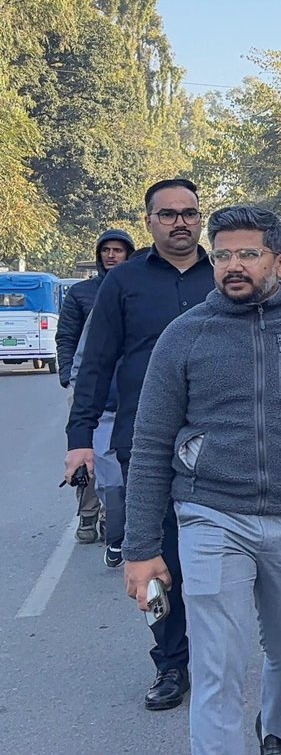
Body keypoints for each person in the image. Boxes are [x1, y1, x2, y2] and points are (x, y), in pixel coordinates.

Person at [121, 205, 281, 755]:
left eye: (248, 253)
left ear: (280, 262)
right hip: (211, 515)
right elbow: (150, 443)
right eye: (222, 255)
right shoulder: (185, 334)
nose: (232, 265)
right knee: (216, 662)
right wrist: (141, 548)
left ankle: (278, 731)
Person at [65, 178, 215, 712]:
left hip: (221, 444)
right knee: (154, 559)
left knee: (215, 560)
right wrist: (80, 438)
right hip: (146, 443)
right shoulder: (123, 281)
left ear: (200, 218)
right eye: (167, 214)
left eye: (189, 212)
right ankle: (170, 662)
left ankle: (216, 654)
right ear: (149, 221)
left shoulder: (224, 275)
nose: (180, 222)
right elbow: (96, 362)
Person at [56, 229, 136, 550]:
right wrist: (70, 378)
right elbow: (67, 337)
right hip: (88, 386)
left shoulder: (136, 290)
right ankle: (89, 514)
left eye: (118, 250)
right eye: (106, 250)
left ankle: (113, 519)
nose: (111, 255)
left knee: (120, 466)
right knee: (88, 457)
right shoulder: (82, 293)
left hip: (126, 390)